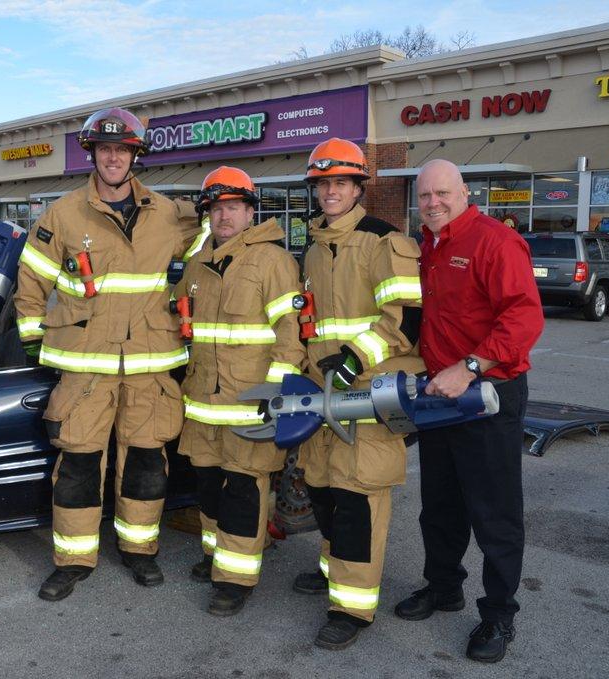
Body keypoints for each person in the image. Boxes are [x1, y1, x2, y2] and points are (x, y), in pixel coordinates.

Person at [13, 107, 207, 601]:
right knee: (78, 465)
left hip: (150, 364)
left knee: (146, 463)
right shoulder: (61, 214)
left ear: (135, 155)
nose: (114, 157)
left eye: (123, 149)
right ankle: (73, 561)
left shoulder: (170, 213)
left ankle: (139, 552)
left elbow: (216, 245)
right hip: (85, 368)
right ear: (93, 154)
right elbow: (31, 279)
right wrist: (36, 340)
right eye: (105, 149)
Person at [393, 158, 543, 663]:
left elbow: (523, 316)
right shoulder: (427, 247)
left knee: (494, 512)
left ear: (463, 193)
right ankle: (443, 587)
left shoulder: (494, 241)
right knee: (440, 503)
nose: (433, 203)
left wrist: (470, 366)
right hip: (439, 396)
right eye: (426, 196)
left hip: (488, 395)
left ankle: (499, 615)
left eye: (442, 194)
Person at [295, 138, 424, 649]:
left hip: (366, 392)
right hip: (323, 391)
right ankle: (333, 572)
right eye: (323, 183)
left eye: (340, 183)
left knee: (357, 499)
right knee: (324, 489)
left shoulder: (384, 241)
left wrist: (352, 359)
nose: (331, 191)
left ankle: (352, 608)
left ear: (357, 187)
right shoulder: (312, 245)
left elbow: (405, 318)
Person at [175, 166, 304, 616]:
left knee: (244, 491)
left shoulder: (273, 261)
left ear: (251, 212)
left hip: (251, 403)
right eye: (216, 208)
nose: (224, 216)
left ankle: (235, 579)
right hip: (203, 402)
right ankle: (215, 554)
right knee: (208, 487)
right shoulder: (197, 262)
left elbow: (290, 335)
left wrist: (277, 395)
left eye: (233, 207)